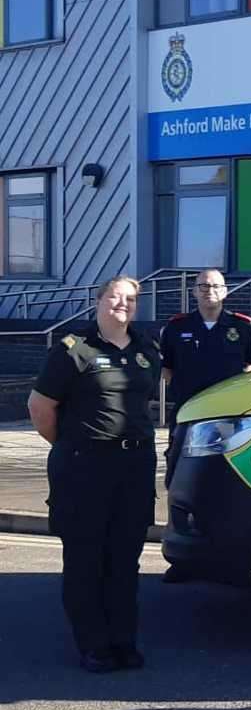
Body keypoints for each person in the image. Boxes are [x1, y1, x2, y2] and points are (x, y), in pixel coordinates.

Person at [27, 276, 162, 673]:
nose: (123, 304)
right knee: (86, 558)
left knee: (124, 558)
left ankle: (123, 639)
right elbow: (40, 408)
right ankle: (94, 644)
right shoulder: (74, 350)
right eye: (115, 297)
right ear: (98, 300)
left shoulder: (146, 350)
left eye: (131, 299)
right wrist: (74, 446)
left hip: (134, 467)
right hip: (85, 467)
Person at [159, 269, 251, 577]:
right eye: (202, 286)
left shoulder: (242, 327)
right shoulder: (177, 328)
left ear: (226, 291)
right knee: (179, 485)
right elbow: (167, 371)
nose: (208, 291)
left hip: (229, 423)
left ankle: (230, 562)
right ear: (194, 292)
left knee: (226, 485)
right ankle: (182, 563)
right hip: (188, 421)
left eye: (215, 286)